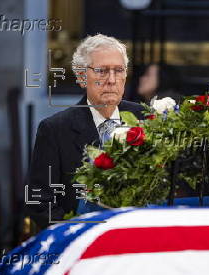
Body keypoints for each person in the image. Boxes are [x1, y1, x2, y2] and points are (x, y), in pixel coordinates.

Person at [27, 34, 144, 229]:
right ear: (82, 77)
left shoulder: (144, 118)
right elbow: (40, 202)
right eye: (101, 71)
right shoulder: (55, 130)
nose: (112, 80)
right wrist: (77, 235)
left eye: (118, 70)